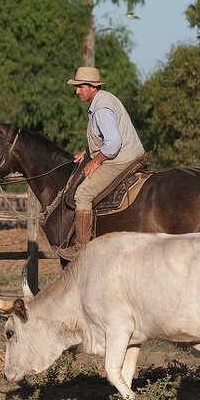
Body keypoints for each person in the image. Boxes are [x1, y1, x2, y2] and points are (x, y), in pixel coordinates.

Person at [62, 66, 146, 260]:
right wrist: (88, 150)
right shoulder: (105, 98)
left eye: (81, 86)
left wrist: (96, 161)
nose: (77, 91)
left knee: (83, 194)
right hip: (129, 153)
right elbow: (105, 136)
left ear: (92, 87)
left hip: (120, 159)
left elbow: (114, 143)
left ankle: (81, 250)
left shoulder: (101, 109)